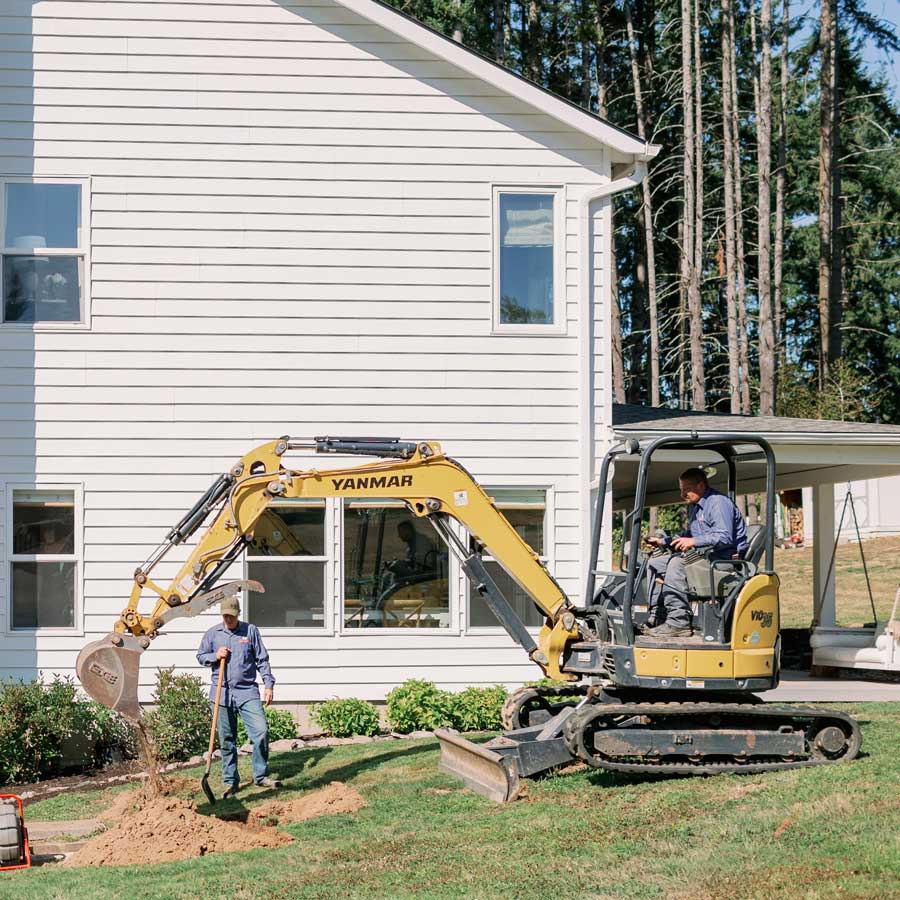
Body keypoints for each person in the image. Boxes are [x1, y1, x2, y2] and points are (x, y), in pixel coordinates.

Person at [643, 468, 749, 637]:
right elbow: (688, 536)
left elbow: (724, 537)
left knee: (677, 563)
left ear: (700, 485)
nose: (682, 494)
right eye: (681, 489)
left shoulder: (718, 503)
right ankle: (658, 615)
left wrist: (693, 542)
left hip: (724, 562)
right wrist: (663, 541)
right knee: (655, 563)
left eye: (686, 489)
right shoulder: (695, 507)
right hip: (704, 558)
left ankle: (679, 623)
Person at [196, 596, 282, 797]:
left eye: (232, 616)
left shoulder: (250, 631)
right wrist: (214, 656)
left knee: (261, 731)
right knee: (227, 739)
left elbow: (262, 659)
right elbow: (200, 656)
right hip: (221, 692)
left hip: (247, 691)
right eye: (225, 616)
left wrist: (268, 684)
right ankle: (230, 781)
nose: (229, 619)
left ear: (238, 614)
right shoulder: (212, 634)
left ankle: (260, 776)